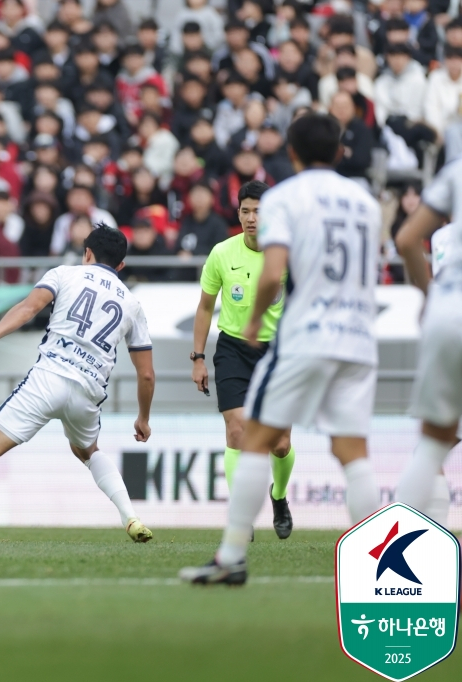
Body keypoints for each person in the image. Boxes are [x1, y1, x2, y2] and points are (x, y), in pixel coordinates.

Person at [181, 114, 383, 585]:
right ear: (339, 151)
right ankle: (375, 567)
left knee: (260, 439)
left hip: (305, 335)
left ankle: (231, 557)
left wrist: (254, 321)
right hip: (357, 335)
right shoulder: (365, 202)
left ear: (291, 152)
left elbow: (273, 273)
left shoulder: (288, 198)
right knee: (352, 450)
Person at [0, 226, 156, 546]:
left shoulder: (65, 274)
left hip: (50, 377)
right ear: (121, 266)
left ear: (86, 253)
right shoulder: (133, 304)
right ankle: (131, 517)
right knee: (88, 450)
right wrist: (143, 418)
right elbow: (146, 375)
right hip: (89, 390)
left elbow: (28, 308)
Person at [190, 180, 296, 540]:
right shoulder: (222, 253)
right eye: (246, 211)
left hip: (278, 352)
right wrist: (198, 357)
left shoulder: (287, 255)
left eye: (259, 210)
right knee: (237, 431)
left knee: (280, 443)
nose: (252, 218)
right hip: (234, 348)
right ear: (238, 214)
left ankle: (279, 497)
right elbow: (205, 307)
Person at [392, 157, 462, 526]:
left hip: (449, 317)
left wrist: (429, 299)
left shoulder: (455, 174)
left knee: (433, 445)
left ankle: (406, 540)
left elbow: (405, 239)